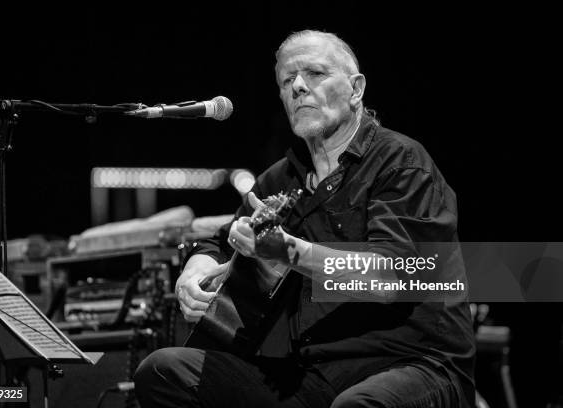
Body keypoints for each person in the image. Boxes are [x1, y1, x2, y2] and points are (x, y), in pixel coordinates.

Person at [134, 30, 475, 408]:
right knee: (164, 370)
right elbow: (217, 241)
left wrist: (290, 251)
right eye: (286, 80)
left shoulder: (402, 163)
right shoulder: (282, 177)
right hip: (309, 375)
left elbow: (390, 276)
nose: (297, 86)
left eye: (315, 74)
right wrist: (193, 272)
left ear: (356, 89)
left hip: (412, 365)